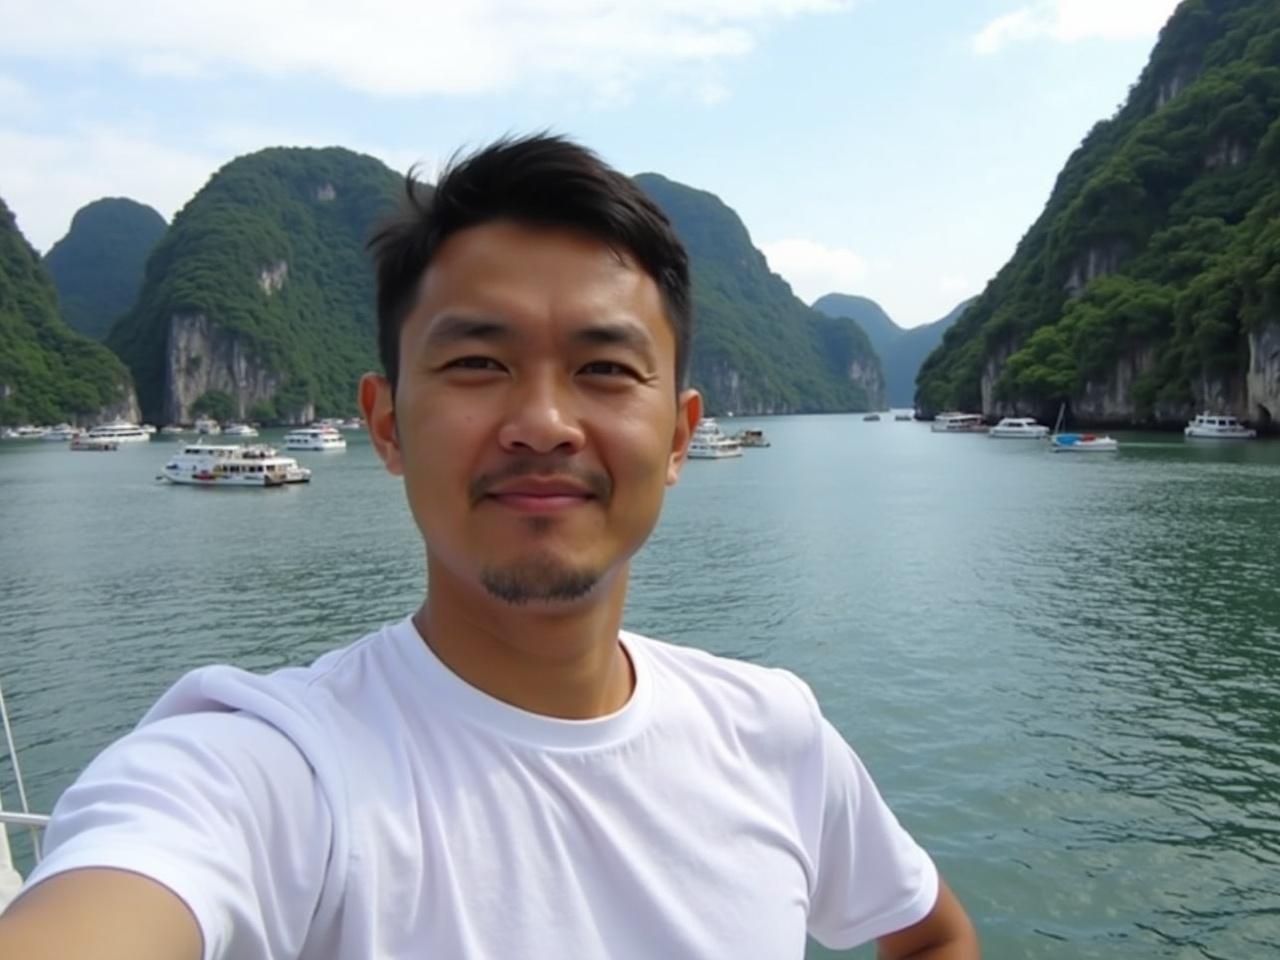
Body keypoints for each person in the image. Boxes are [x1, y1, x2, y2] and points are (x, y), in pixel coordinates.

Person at [0, 135, 978, 959]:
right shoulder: (269, 769)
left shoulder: (774, 734)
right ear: (384, 424)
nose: (543, 422)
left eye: (602, 367)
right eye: (477, 363)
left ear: (679, 435)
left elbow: (931, 935)